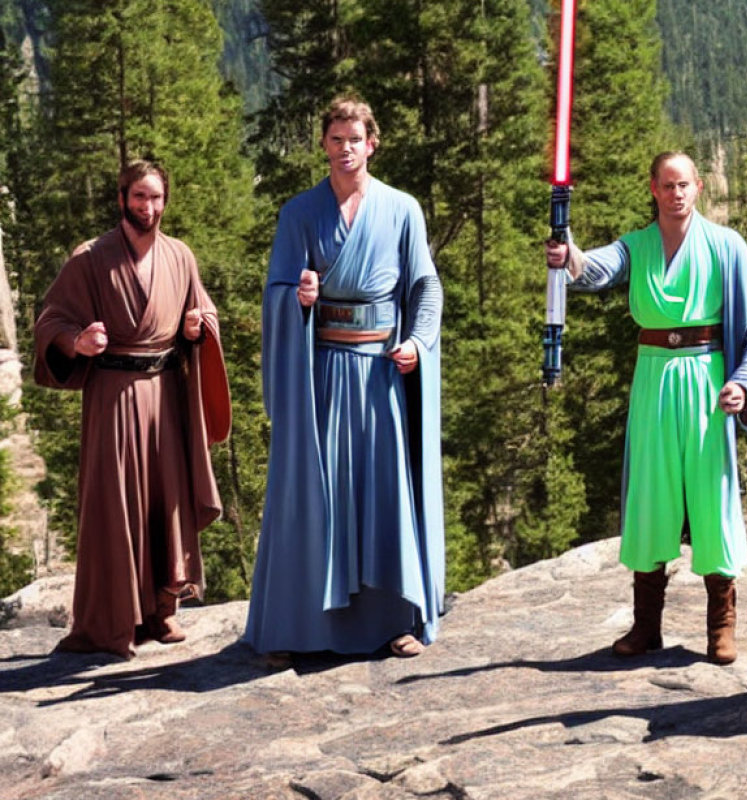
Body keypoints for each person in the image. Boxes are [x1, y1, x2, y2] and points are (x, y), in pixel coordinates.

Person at [545, 152, 747, 664]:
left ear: (699, 187)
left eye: (685, 185)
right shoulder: (637, 246)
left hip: (707, 377)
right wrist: (570, 255)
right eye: (667, 185)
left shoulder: (726, 246)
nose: (677, 193)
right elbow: (594, 269)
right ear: (653, 188)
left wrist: (742, 381)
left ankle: (721, 625)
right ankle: (646, 626)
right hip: (653, 378)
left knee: (711, 496)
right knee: (650, 496)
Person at [243, 96, 444, 659]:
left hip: (381, 376)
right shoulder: (299, 212)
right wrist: (299, 298)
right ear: (324, 144)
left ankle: (397, 620)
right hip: (325, 379)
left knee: (384, 496)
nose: (345, 147)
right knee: (314, 497)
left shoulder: (402, 209)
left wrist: (418, 342)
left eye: (355, 138)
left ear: (371, 143)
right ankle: (296, 628)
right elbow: (278, 291)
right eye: (336, 139)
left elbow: (425, 286)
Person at [34, 159, 231, 659]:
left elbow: (203, 310)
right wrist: (77, 341)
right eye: (139, 197)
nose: (148, 206)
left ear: (166, 200)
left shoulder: (180, 256)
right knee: (115, 506)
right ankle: (111, 622)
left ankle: (162, 612)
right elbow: (50, 319)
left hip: (166, 395)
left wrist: (196, 328)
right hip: (114, 398)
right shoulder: (90, 258)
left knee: (167, 502)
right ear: (122, 198)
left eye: (156, 197)